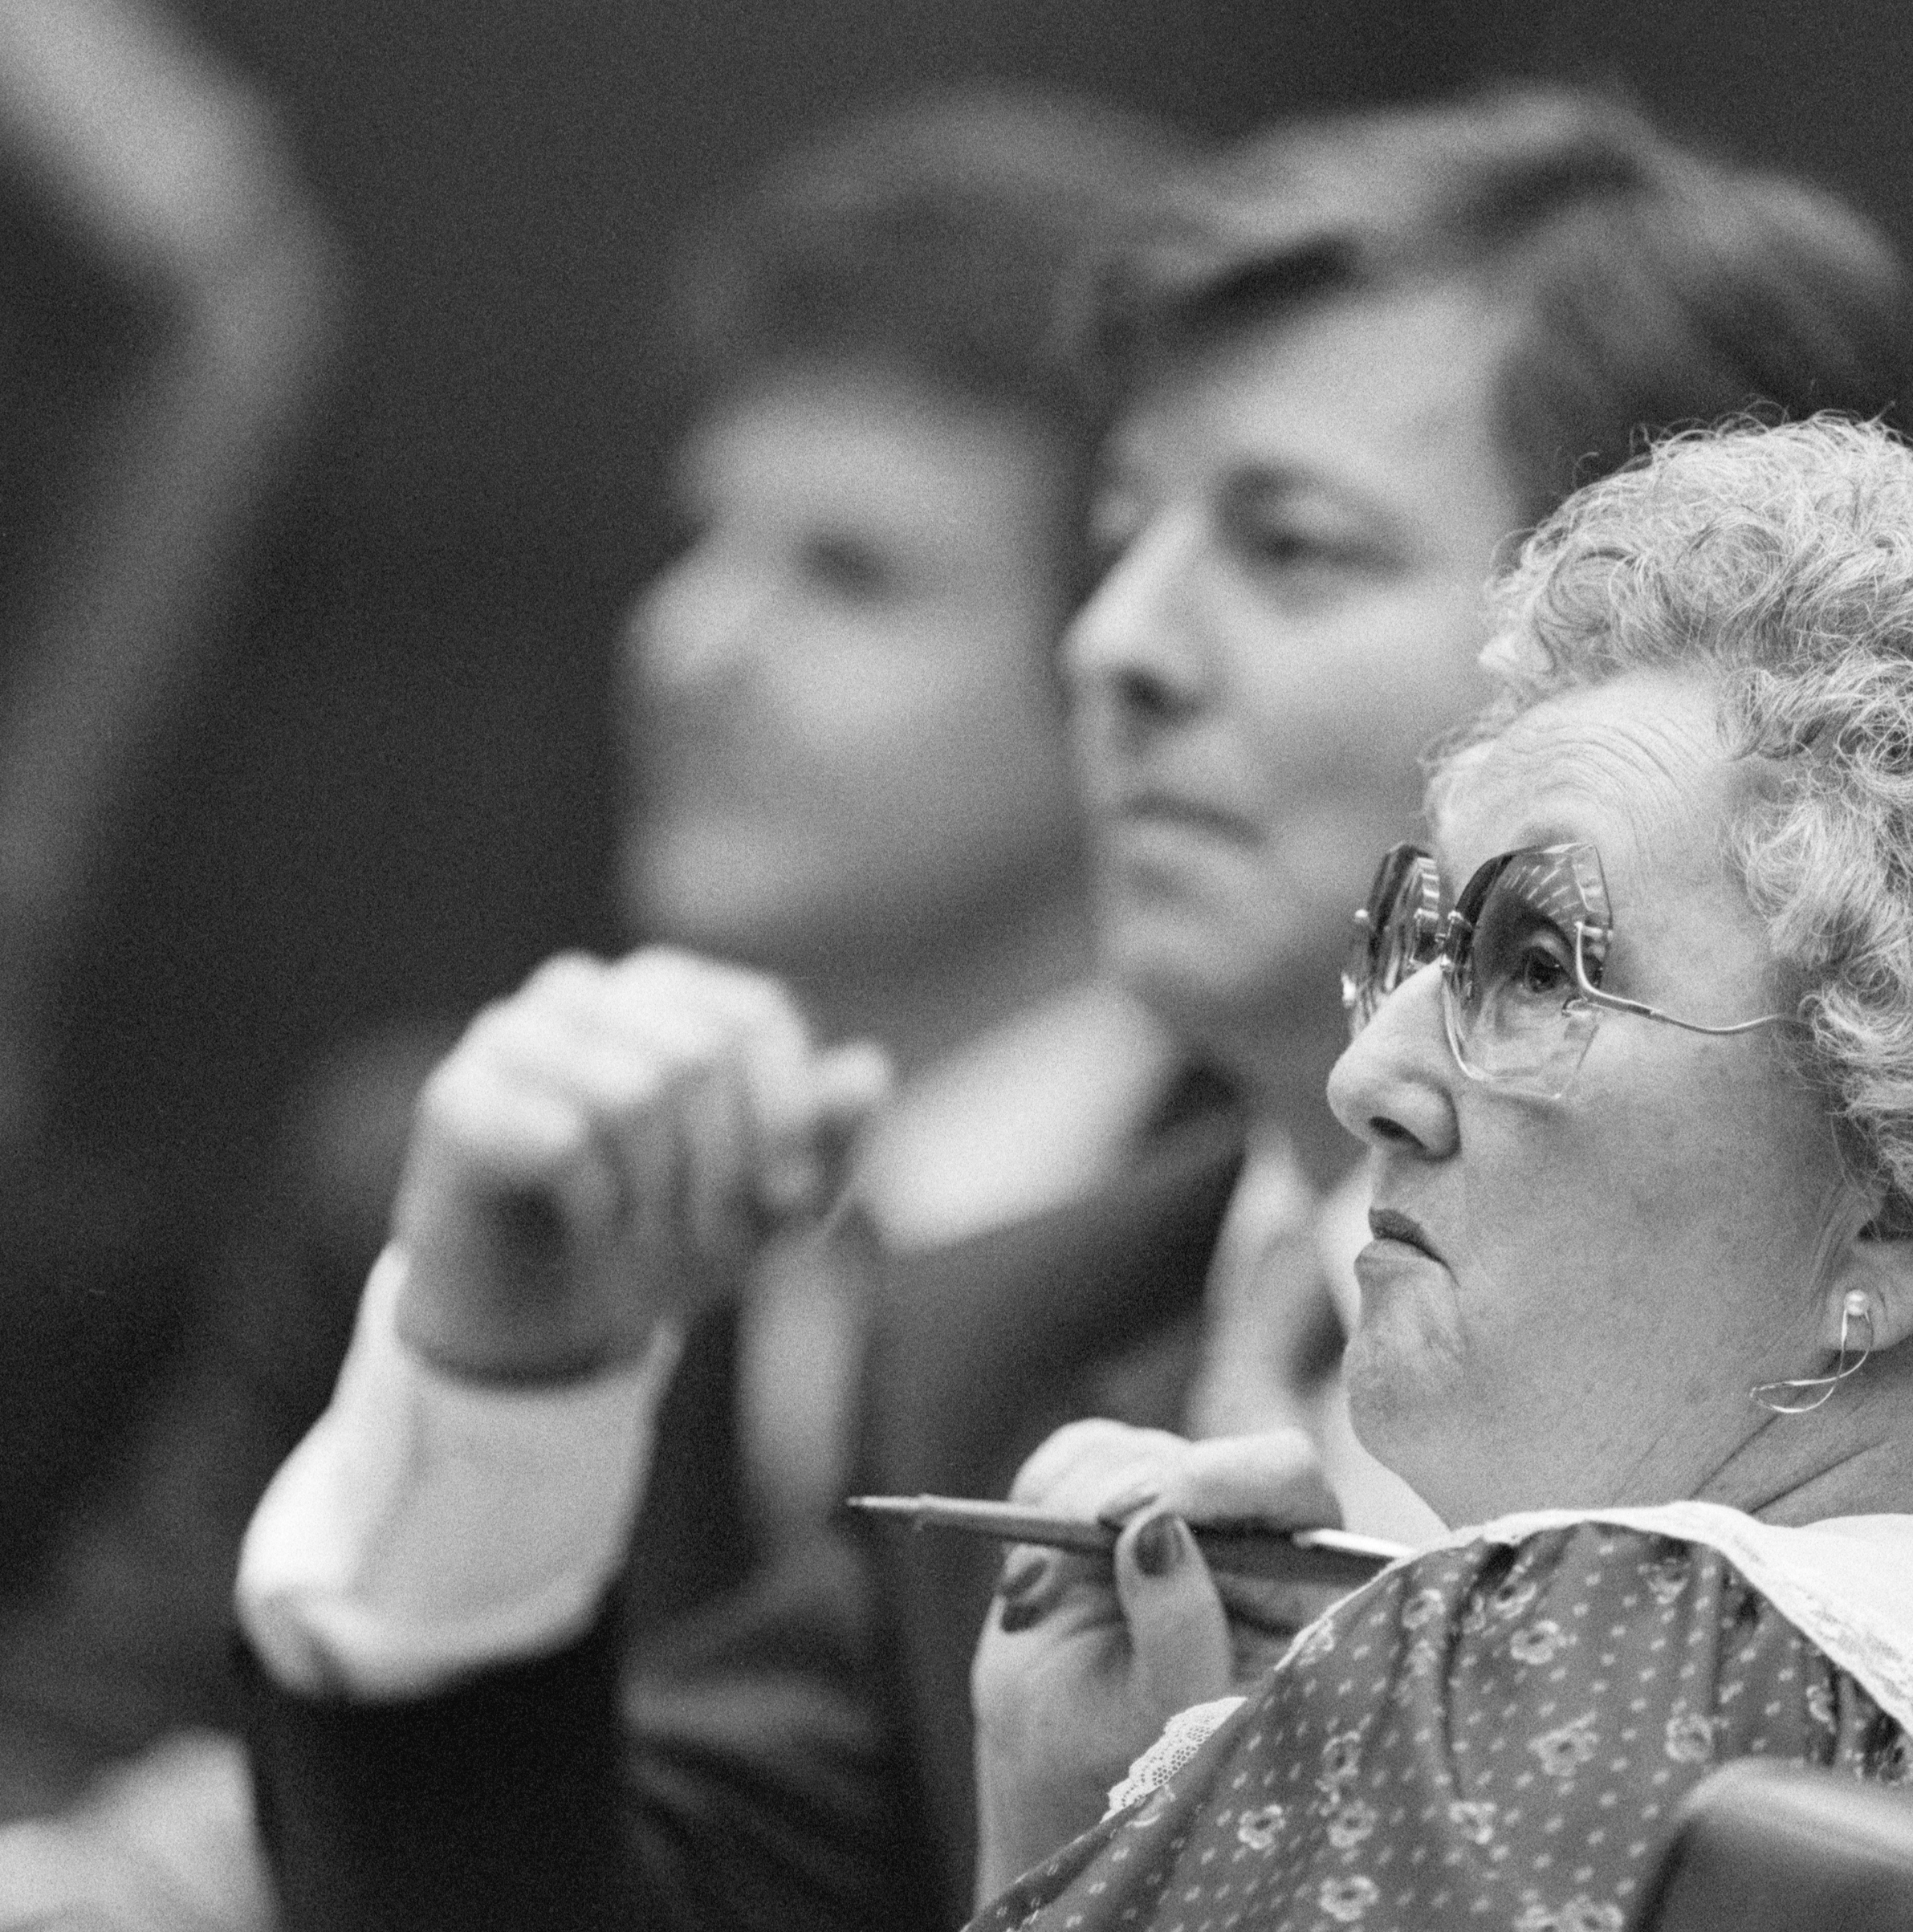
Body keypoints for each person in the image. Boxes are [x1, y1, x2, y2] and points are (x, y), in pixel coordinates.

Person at [236, 84, 1913, 1932]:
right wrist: (508, 1379)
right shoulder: (1004, 1323)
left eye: (1282, 542)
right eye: (1120, 532)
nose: (1114, 647)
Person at [0, 85, 1187, 1926]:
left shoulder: (1261, 1234)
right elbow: (72, 1735)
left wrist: (245, 1843)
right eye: (700, 538)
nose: (688, 643)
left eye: (847, 575)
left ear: (1133, 658)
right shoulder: (436, 1163)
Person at [967, 413, 1913, 1922]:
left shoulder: (1547, 1663)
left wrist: (1056, 1841)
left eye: (1539, 969)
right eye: (1418, 944)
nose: (1368, 1080)